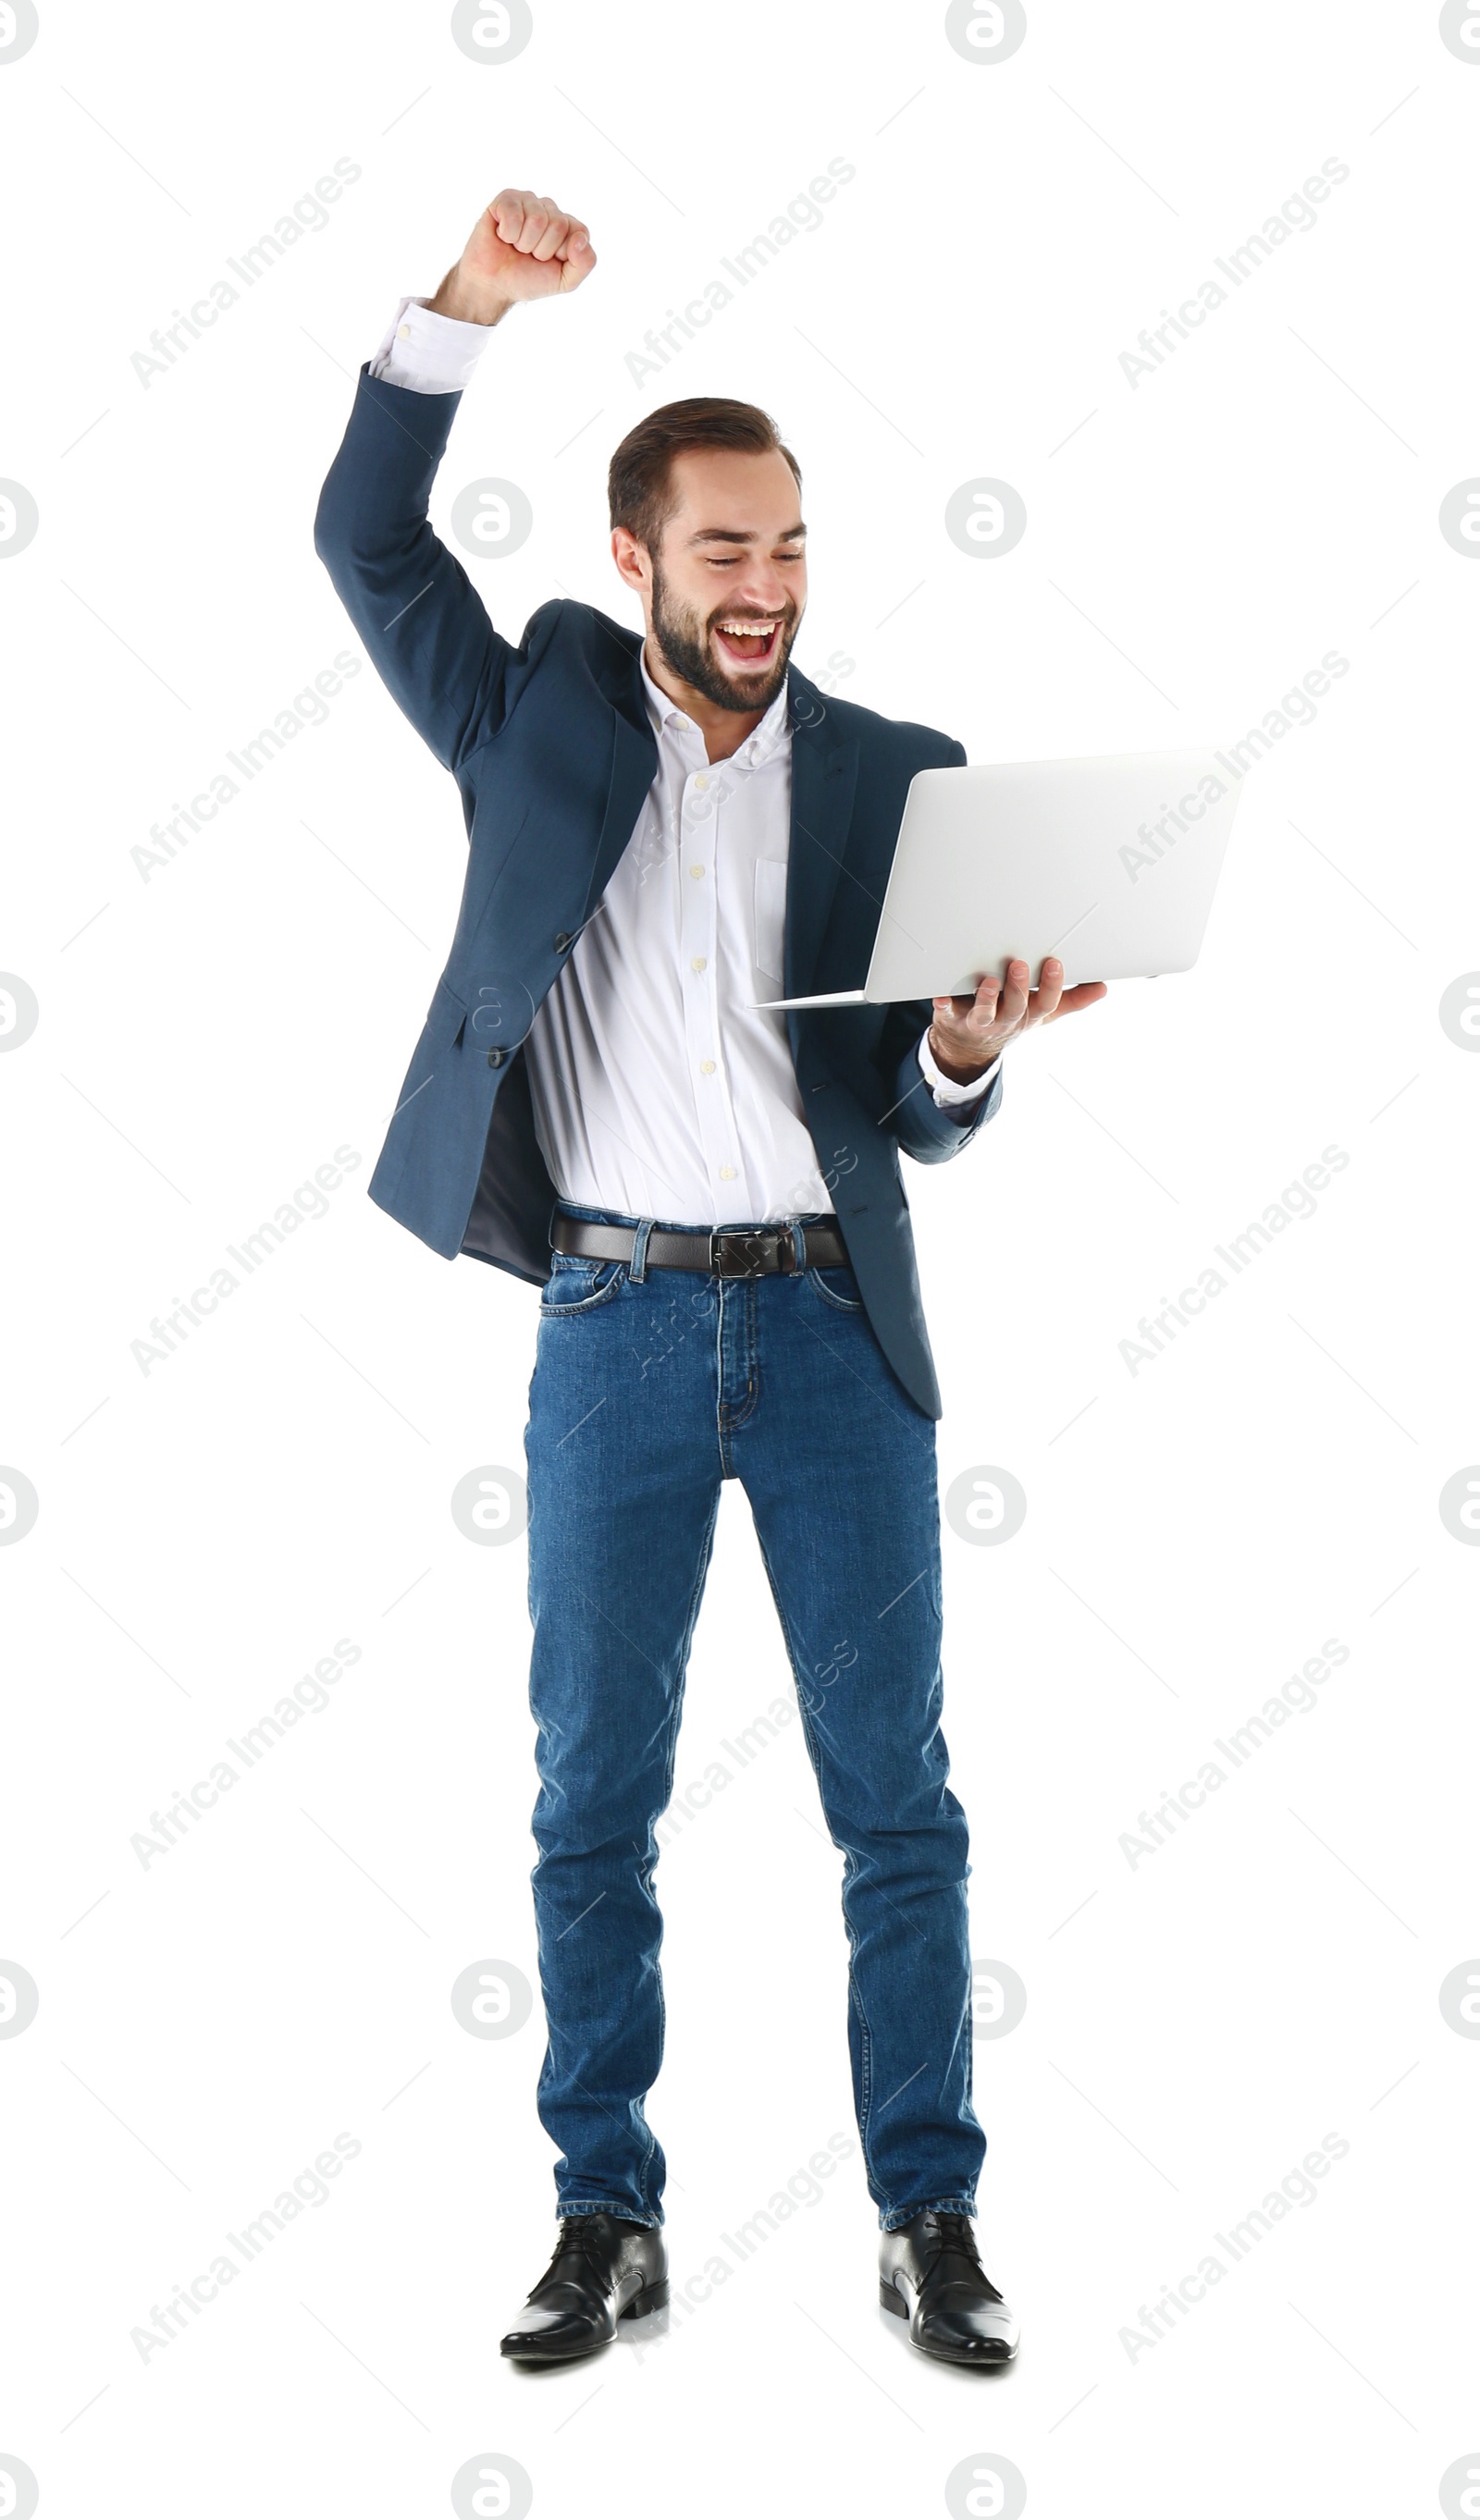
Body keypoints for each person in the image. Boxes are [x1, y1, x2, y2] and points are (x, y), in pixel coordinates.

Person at [314, 186, 1105, 2368]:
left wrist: (958, 1055)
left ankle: (926, 2217)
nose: (762, 587)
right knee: (592, 1799)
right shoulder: (535, 717)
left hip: (838, 1336)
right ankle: (605, 2211)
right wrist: (467, 304)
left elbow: (908, 1105)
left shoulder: (893, 777)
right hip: (614, 1330)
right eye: (722, 550)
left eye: (787, 549)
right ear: (633, 558)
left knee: (897, 1801)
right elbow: (366, 545)